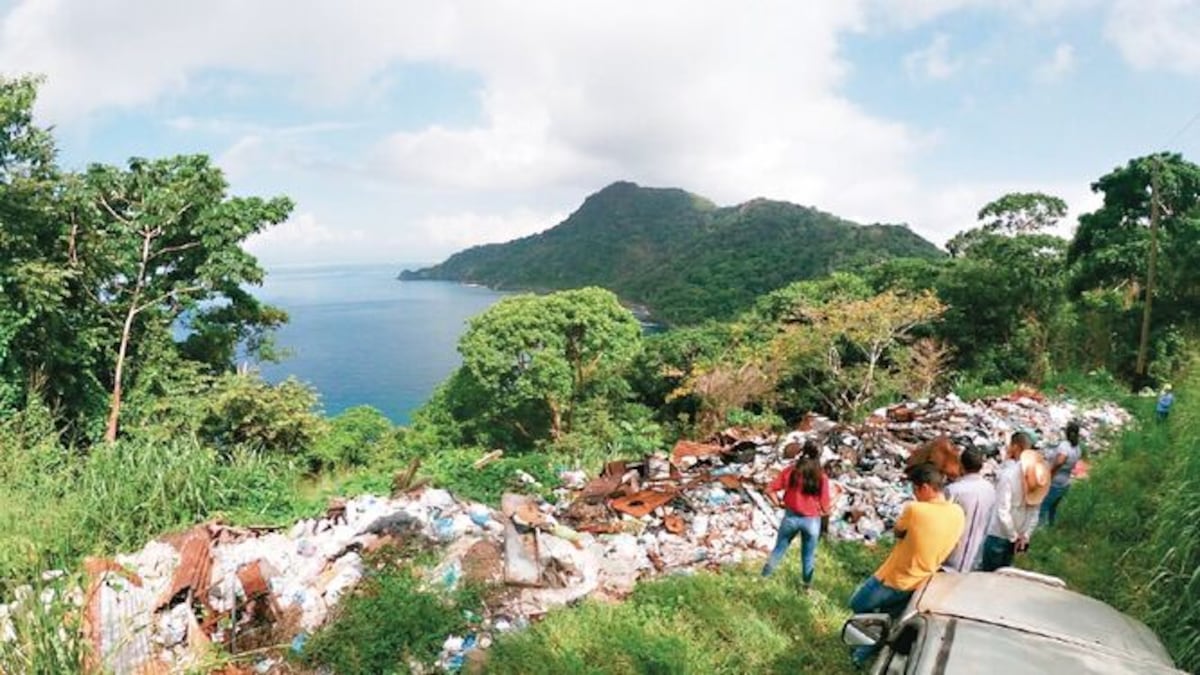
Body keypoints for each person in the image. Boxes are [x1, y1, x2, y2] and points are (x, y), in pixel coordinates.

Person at [848, 463, 964, 666]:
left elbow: (898, 531)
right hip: (922, 581)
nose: (915, 495)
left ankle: (866, 640)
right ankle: (863, 654)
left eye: (915, 490)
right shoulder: (958, 512)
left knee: (858, 604)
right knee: (891, 618)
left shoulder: (916, 509)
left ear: (926, 488)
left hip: (894, 577)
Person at [762, 440, 830, 589]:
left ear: (802, 451)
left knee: (779, 549)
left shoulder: (791, 471)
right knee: (808, 556)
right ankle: (807, 587)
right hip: (811, 521)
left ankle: (764, 579)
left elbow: (769, 489)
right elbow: (826, 508)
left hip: (791, 517)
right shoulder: (821, 477)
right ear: (819, 456)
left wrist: (778, 503)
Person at [981, 432, 1050, 571]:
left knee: (988, 577)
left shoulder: (1009, 476)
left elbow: (1002, 510)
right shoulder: (1030, 478)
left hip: (1000, 535)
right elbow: (1034, 513)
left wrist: (1018, 536)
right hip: (1014, 539)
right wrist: (1023, 536)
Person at [942, 447, 995, 572]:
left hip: (951, 555)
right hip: (976, 553)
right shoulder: (990, 489)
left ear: (961, 465)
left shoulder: (953, 490)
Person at [1040, 422, 1082, 527]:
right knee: (1053, 508)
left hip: (1055, 481)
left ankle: (1041, 530)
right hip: (1065, 482)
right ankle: (1051, 528)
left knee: (1043, 506)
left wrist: (1050, 473)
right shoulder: (1077, 448)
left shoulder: (1065, 446)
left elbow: (1060, 461)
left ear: (1067, 432)